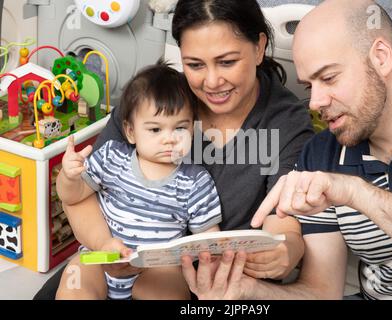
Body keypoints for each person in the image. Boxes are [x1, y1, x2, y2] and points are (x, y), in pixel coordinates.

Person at [33, 0, 314, 299]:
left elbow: (283, 224)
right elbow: (80, 196)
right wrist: (104, 246)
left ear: (259, 48)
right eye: (194, 64)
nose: (212, 81)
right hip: (107, 258)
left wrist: (286, 250)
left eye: (227, 62)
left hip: (206, 284)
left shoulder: (286, 124)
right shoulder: (153, 100)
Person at [180, 0, 392, 300]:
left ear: (381, 57)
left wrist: (356, 192)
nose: (314, 103)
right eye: (309, 86)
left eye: (329, 78)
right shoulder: (322, 156)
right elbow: (322, 292)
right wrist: (247, 290)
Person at [55, 61, 222, 299]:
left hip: (157, 268)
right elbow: (72, 197)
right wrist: (69, 177)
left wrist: (212, 251)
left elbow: (207, 239)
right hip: (101, 257)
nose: (170, 139)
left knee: (168, 286)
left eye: (180, 128)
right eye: (155, 130)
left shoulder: (196, 182)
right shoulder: (112, 156)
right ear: (131, 132)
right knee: (75, 277)